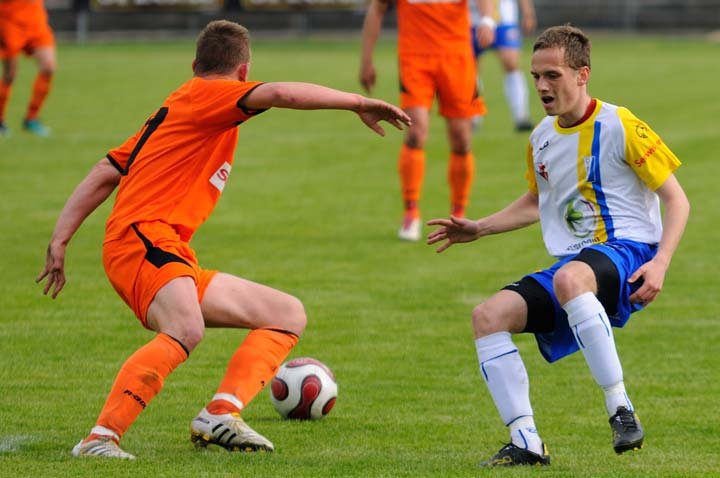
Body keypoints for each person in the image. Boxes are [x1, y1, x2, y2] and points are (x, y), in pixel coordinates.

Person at [36, 20, 410, 460]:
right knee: (186, 329)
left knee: (285, 314)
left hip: (163, 248)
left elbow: (106, 171)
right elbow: (282, 94)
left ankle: (221, 413)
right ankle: (99, 438)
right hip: (142, 241)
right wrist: (358, 102)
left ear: (195, 63)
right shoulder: (211, 96)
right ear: (244, 72)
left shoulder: (178, 105)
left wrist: (60, 239)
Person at [427, 25, 689, 466]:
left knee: (571, 277)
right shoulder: (541, 138)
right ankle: (526, 440)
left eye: (553, 75)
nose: (542, 86)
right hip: (579, 264)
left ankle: (621, 409)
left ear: (582, 74)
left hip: (630, 252)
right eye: (535, 77)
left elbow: (677, 199)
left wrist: (662, 262)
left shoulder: (620, 124)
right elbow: (537, 202)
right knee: (488, 316)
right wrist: (480, 228)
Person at [359, 0, 495, 241]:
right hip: (415, 59)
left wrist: (486, 20)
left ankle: (458, 214)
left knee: (461, 139)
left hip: (457, 59)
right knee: (415, 132)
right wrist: (366, 60)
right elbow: (377, 8)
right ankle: (411, 212)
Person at [470, 0, 536, 132]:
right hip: (472, 18)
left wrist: (528, 12)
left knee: (511, 62)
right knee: (471, 67)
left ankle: (521, 116)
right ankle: (473, 115)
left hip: (504, 16)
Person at [0, 0, 56, 136]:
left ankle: (31, 118)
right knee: (10, 74)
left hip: (35, 21)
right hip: (10, 21)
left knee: (48, 67)